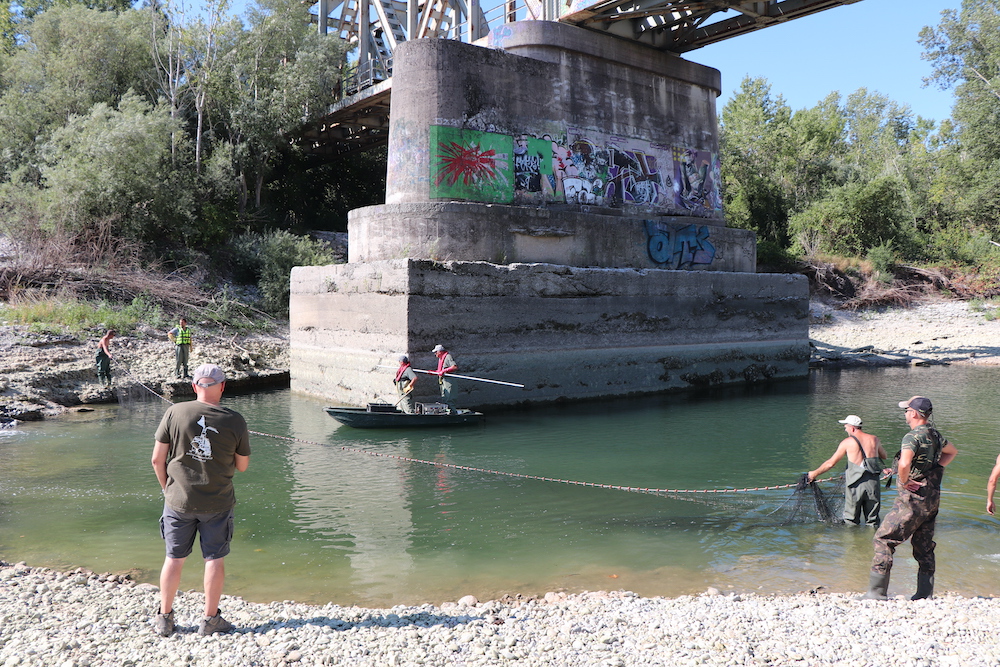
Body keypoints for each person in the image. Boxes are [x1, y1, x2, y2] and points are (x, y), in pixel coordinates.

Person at [151, 364, 250, 637]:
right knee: (214, 558)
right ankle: (210, 620)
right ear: (222, 386)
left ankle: (165, 618)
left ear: (195, 386)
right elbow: (242, 466)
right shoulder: (235, 420)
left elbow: (157, 459)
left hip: (178, 500)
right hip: (218, 502)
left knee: (174, 558)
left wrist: (168, 490)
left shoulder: (174, 412)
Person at [862, 396, 957, 601]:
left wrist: (905, 481)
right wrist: (935, 469)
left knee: (883, 538)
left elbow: (905, 463)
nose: (905, 414)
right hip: (931, 501)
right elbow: (952, 452)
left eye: (906, 410)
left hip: (911, 500)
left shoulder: (911, 437)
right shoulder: (935, 435)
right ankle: (924, 593)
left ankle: (876, 592)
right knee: (923, 545)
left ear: (914, 413)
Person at [807, 415, 887, 526]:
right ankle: (873, 542)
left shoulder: (847, 442)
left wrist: (814, 473)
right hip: (872, 484)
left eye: (846, 426)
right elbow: (884, 456)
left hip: (855, 485)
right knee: (873, 520)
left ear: (852, 428)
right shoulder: (874, 439)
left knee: (851, 521)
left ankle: (852, 542)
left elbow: (831, 463)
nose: (845, 429)